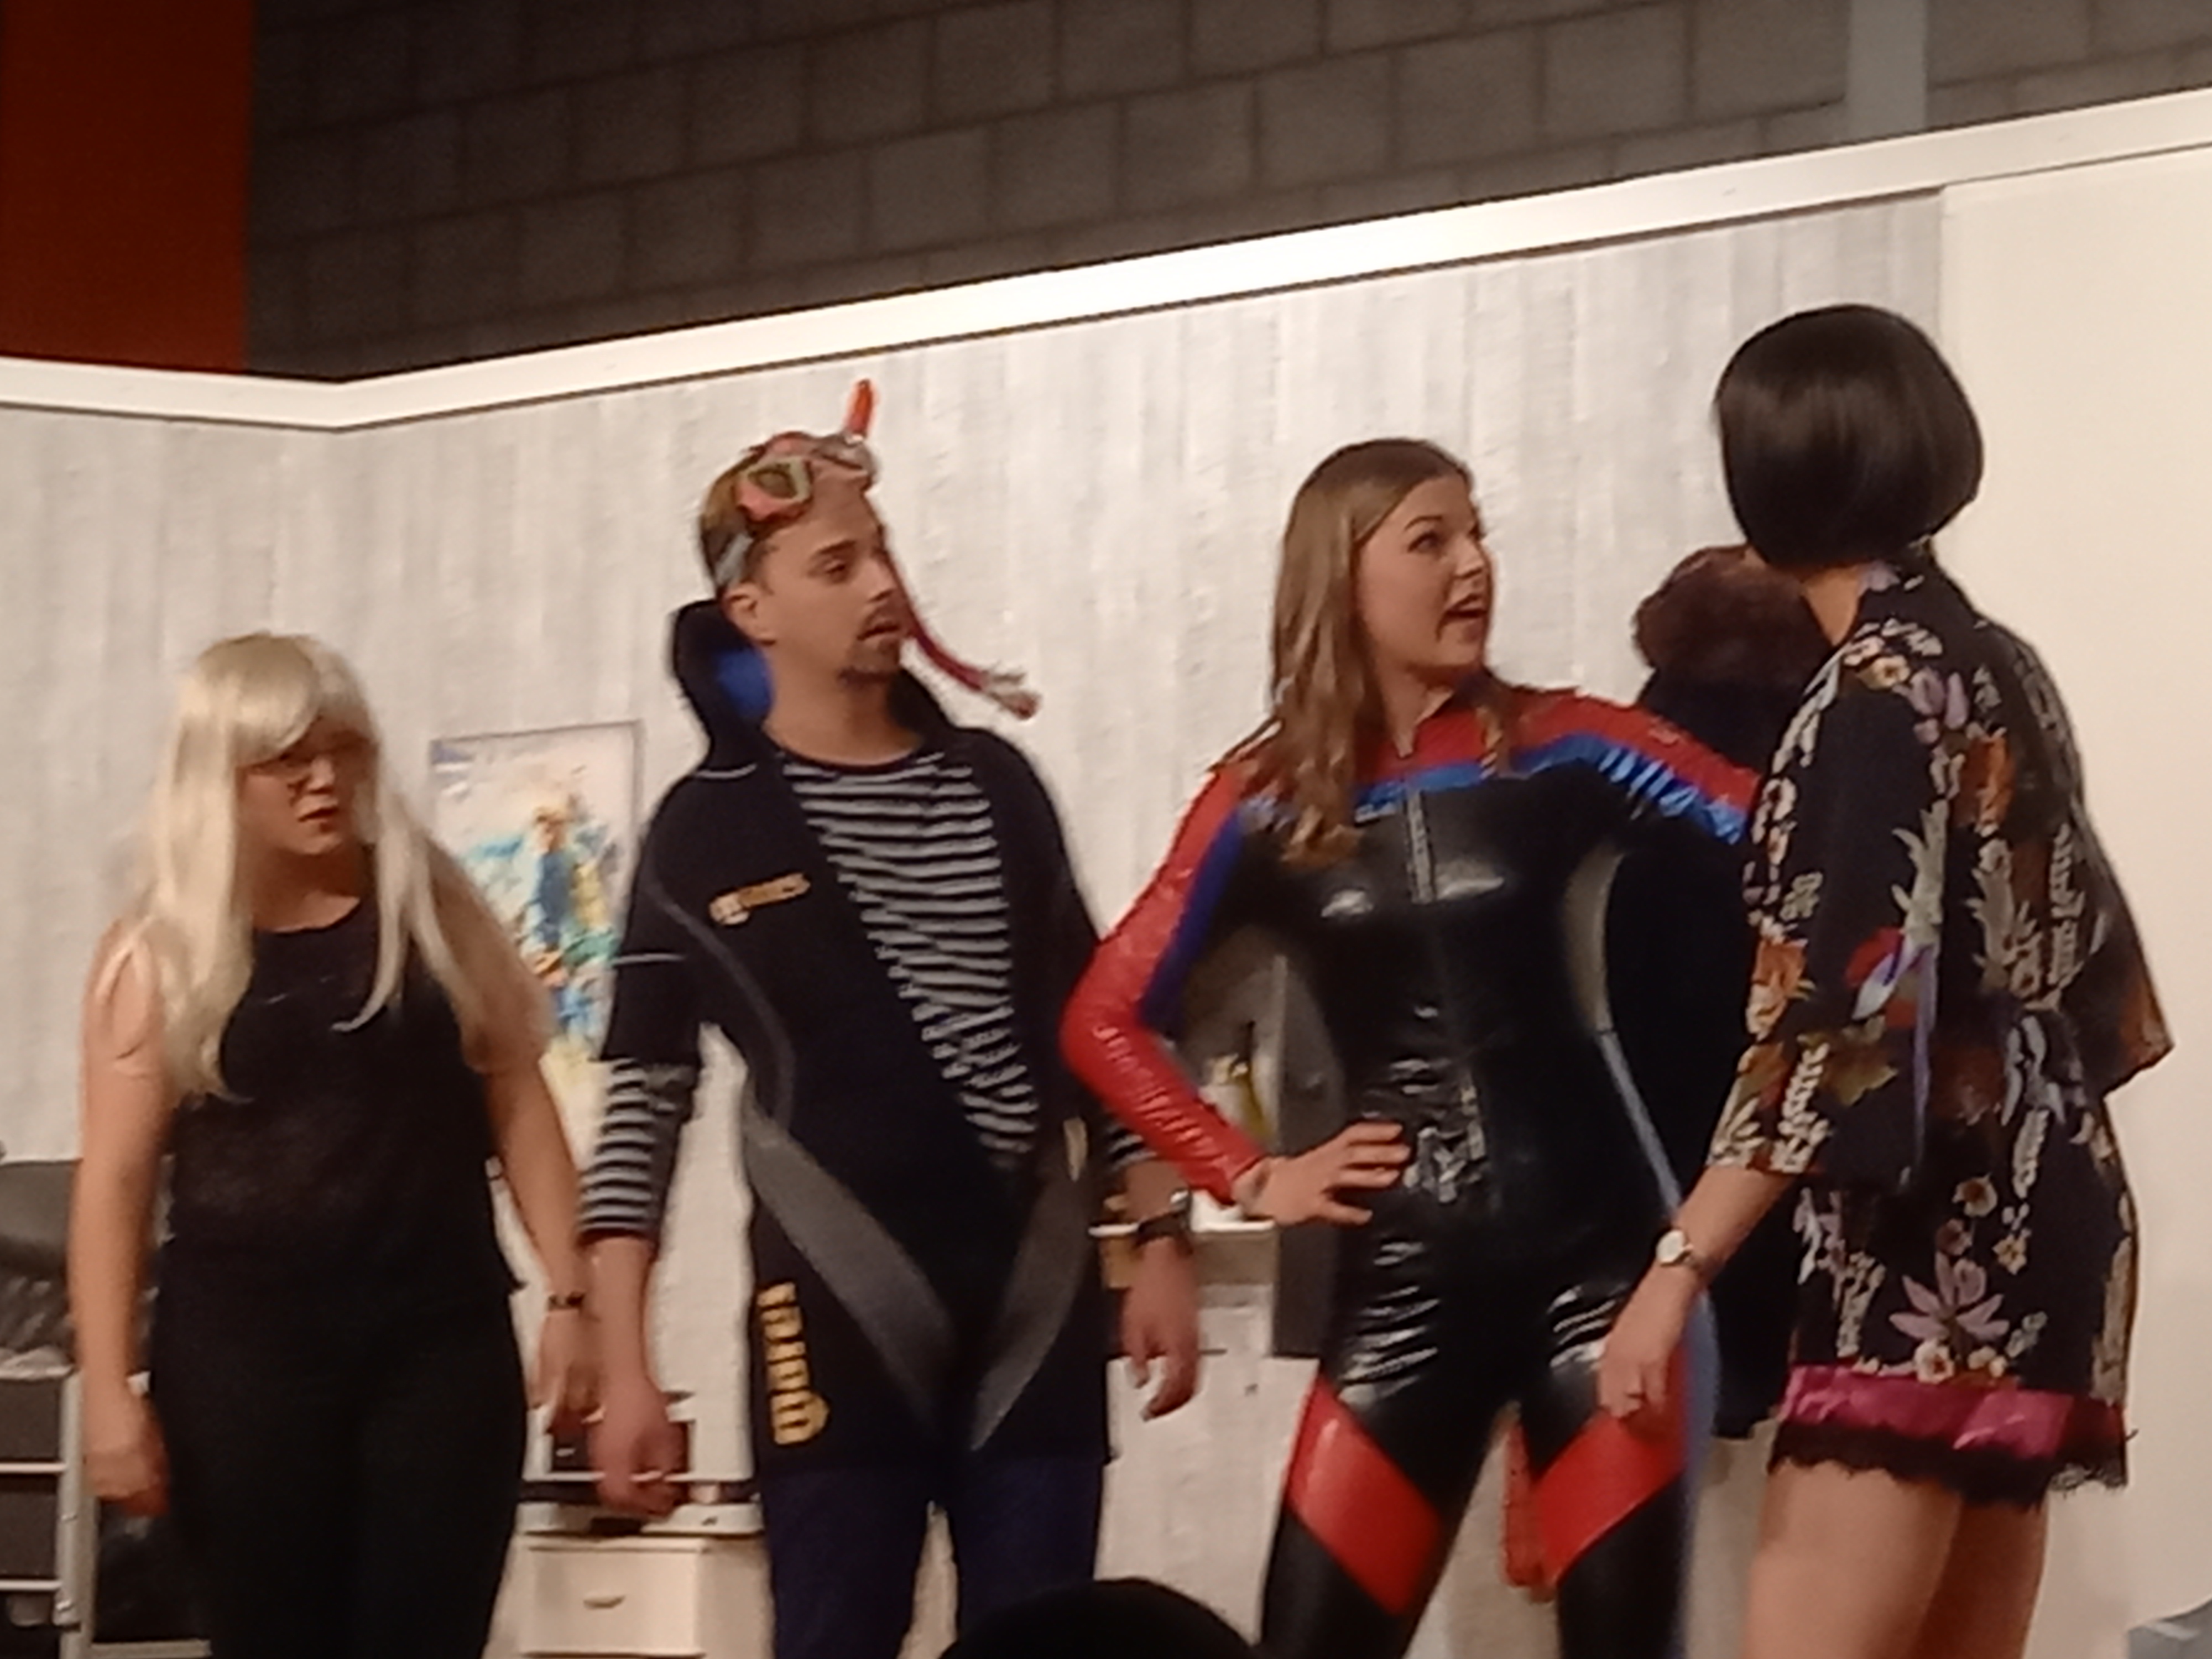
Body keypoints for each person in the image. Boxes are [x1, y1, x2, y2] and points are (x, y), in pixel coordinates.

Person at [1063, 438, 1756, 1659]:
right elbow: (1103, 1020)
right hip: (1403, 1293)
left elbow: (1787, 833)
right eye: (1430, 540)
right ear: (1342, 576)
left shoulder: (1566, 744)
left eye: (1476, 534)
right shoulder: (1264, 800)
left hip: (1596, 1281)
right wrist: (1251, 1175)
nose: (1472, 565)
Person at [580, 383, 1202, 1659]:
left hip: (1033, 1300)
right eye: (836, 565)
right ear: (750, 610)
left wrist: (1161, 1240)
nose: (881, 586)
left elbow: (1102, 1027)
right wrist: (623, 1362)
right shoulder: (703, 832)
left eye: (881, 553)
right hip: (835, 1314)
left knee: (1046, 1648)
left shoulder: (996, 785)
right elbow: (642, 1098)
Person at [1599, 305, 2171, 1659]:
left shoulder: (1867, 693)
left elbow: (1836, 1026)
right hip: (2053, 1217)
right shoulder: (1998, 663)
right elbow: (2093, 971)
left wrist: (1675, 1267)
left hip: (1926, 1241)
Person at [70, 632, 593, 1659]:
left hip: (439, 1349)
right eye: (287, 759)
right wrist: (107, 1391)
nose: (323, 780)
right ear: (220, 777)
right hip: (242, 1362)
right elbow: (115, 1180)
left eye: (344, 749)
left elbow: (521, 1108)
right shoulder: (160, 950)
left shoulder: (431, 907)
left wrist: (577, 1302)